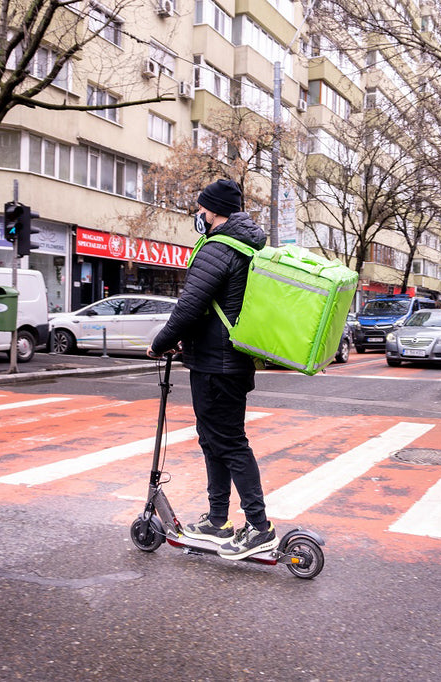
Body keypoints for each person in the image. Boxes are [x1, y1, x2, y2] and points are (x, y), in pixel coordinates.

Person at [146, 178, 278, 560]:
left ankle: (259, 527)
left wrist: (159, 343)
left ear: (214, 210)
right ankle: (218, 518)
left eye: (201, 209)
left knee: (230, 441)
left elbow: (189, 306)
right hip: (223, 361)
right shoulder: (244, 246)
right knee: (214, 439)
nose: (198, 216)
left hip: (217, 365)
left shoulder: (218, 248)